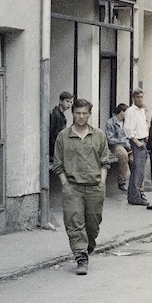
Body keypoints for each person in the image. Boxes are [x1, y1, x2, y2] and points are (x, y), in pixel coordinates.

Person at [52, 99, 109, 275]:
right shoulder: (63, 136)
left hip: (94, 187)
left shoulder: (99, 135)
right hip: (73, 188)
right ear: (73, 113)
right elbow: (58, 163)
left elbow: (105, 162)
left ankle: (87, 247)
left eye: (85, 113)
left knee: (93, 225)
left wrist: (102, 182)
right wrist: (65, 183)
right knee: (74, 223)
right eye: (78, 113)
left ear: (89, 114)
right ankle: (81, 257)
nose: (81, 116)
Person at [124, 89, 150, 206]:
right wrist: (135, 140)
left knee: (140, 171)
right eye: (137, 97)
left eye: (141, 97)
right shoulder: (131, 111)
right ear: (133, 98)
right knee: (138, 170)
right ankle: (134, 195)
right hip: (137, 141)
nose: (140, 99)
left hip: (144, 139)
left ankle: (135, 194)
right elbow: (128, 128)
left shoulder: (142, 111)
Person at [104, 103, 130, 191]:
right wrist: (123, 142)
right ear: (121, 112)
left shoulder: (126, 122)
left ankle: (135, 183)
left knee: (134, 158)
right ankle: (121, 181)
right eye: (126, 112)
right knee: (123, 155)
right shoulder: (110, 122)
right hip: (115, 145)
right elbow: (110, 139)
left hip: (126, 144)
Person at [49, 91, 73, 162]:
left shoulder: (61, 115)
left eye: (71, 102)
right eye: (67, 101)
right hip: (53, 150)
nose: (69, 104)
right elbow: (53, 134)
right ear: (60, 101)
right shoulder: (55, 114)